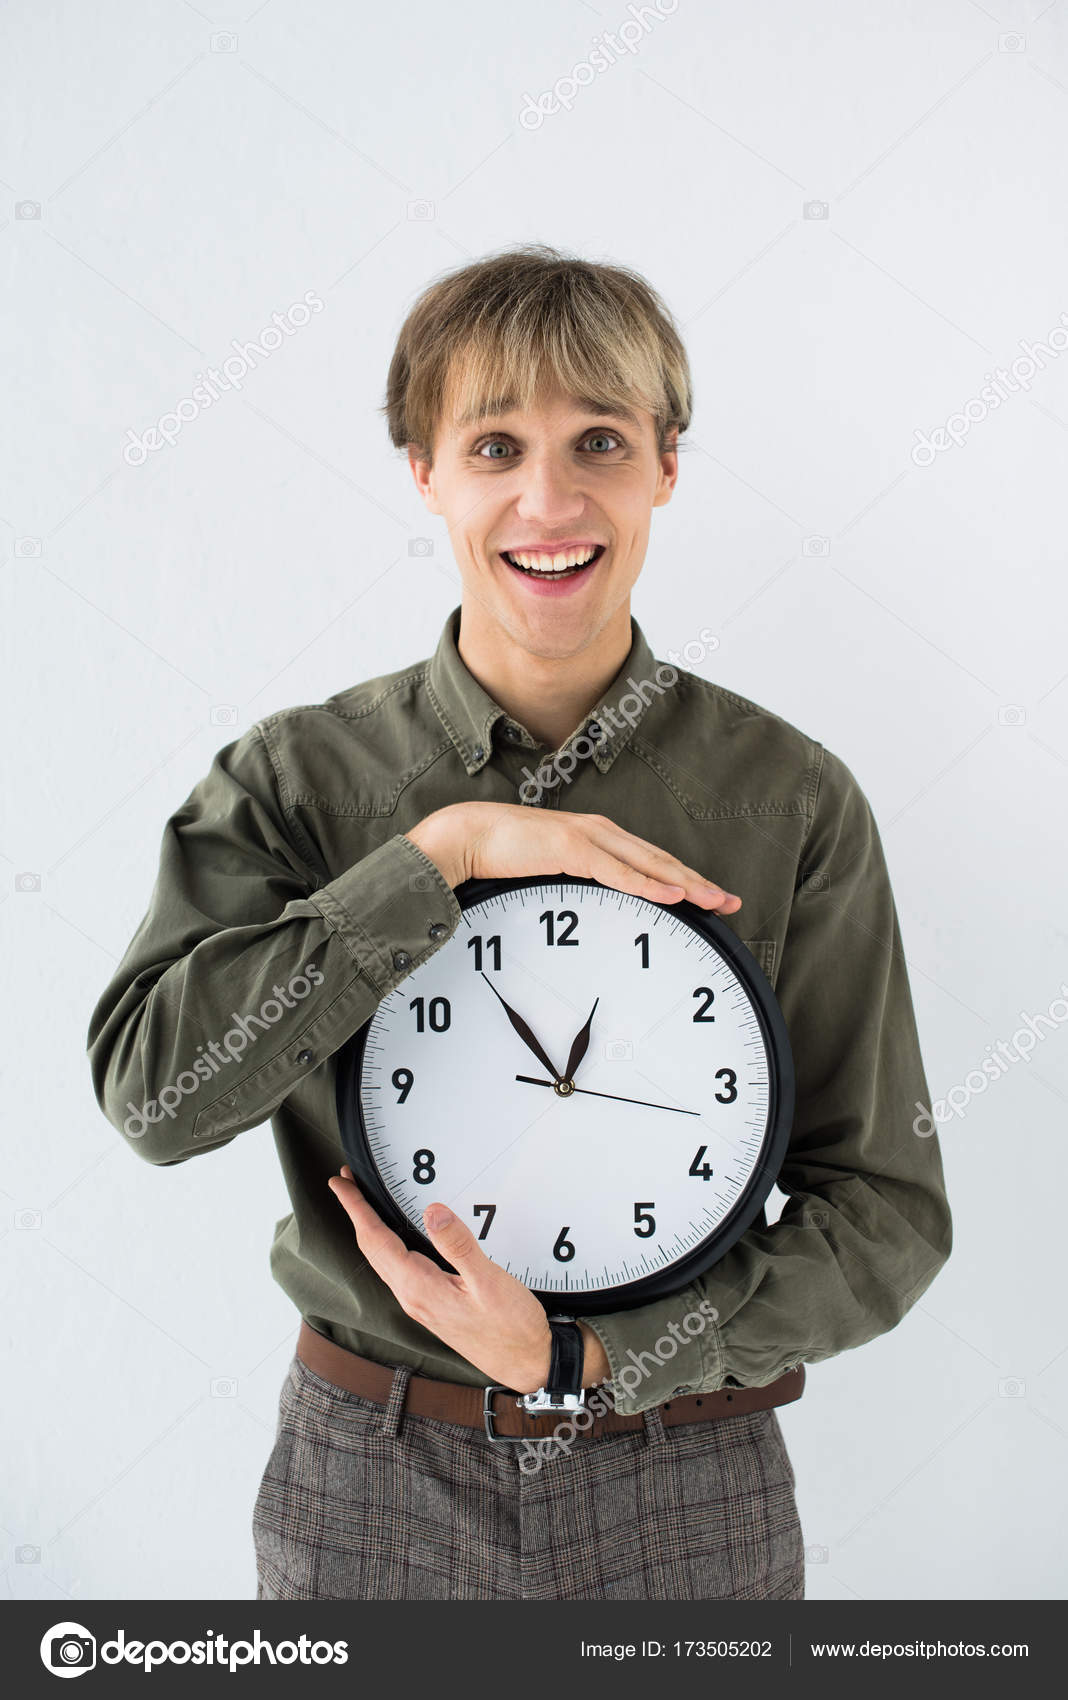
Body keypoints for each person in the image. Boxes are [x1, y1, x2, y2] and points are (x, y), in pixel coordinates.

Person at [86, 243, 952, 1602]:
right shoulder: (297, 782)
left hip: (687, 1484)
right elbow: (154, 1102)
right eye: (495, 445)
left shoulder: (789, 799)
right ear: (425, 472)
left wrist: (591, 1361)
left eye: (598, 441)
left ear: (667, 462)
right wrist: (439, 857)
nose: (547, 500)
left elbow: (885, 1218)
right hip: (374, 1476)